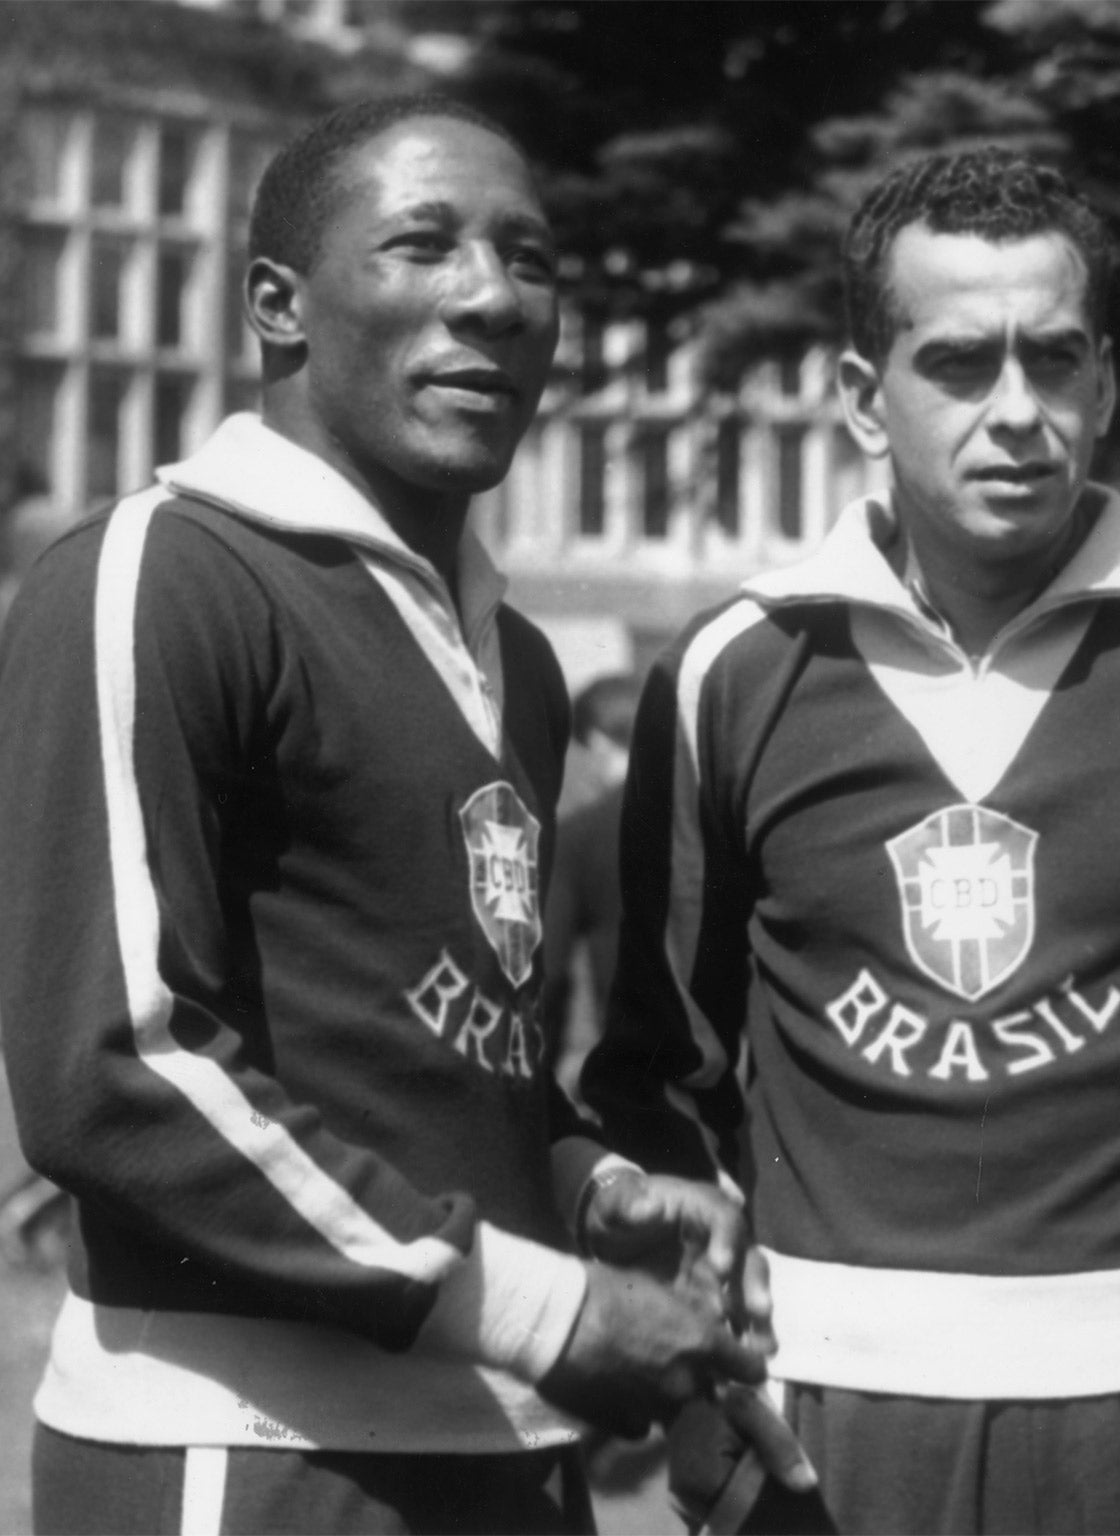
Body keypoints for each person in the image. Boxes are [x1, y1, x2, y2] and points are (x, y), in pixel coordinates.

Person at [580, 147, 1120, 1534]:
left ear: (1105, 381)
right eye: (963, 365)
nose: (1017, 412)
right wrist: (707, 1391)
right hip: (837, 1431)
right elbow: (659, 1077)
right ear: (865, 396)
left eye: (1056, 361)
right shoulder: (738, 666)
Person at [0, 95, 791, 1535]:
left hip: (504, 1451)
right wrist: (546, 1309)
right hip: (245, 1459)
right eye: (423, 246)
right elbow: (114, 1068)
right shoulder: (162, 575)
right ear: (277, 305)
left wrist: (587, 1181)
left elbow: (439, 1041)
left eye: (529, 260)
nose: (490, 295)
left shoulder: (526, 669)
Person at [543, 673, 640, 1097]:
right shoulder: (720, 818)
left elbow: (549, 974)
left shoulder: (580, 835)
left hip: (636, 1071)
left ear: (598, 741)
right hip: (741, 1077)